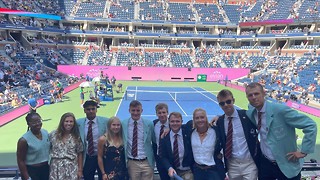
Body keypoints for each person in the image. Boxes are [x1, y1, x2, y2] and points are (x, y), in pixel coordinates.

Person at [245, 82, 317, 180]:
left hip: (286, 164)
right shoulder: (252, 111)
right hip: (266, 164)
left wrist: (304, 151)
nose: (253, 97)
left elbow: (310, 125)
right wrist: (220, 118)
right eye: (250, 95)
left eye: (256, 94)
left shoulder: (280, 110)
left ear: (264, 93)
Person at [216, 89, 259, 180]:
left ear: (233, 100)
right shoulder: (220, 122)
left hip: (249, 164)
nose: (226, 105)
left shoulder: (246, 115)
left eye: (228, 101)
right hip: (232, 166)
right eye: (222, 103)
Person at [121, 100, 155, 180]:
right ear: (129, 110)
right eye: (133, 110)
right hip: (132, 162)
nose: (135, 113)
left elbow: (154, 141)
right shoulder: (124, 124)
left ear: (141, 111)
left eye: (138, 110)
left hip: (147, 162)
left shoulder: (149, 124)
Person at [77, 100, 109, 180]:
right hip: (87, 157)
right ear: (84, 110)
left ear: (96, 109)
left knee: (103, 177)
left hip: (102, 157)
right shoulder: (78, 123)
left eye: (93, 109)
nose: (91, 111)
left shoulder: (105, 121)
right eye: (88, 109)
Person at [191, 108, 225, 180]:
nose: (200, 120)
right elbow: (177, 127)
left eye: (202, 117)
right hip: (198, 171)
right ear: (194, 119)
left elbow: (226, 139)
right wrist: (168, 128)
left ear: (206, 118)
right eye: (197, 118)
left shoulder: (215, 131)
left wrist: (218, 116)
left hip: (213, 171)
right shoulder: (190, 132)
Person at [49, 112, 84, 180]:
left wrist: (80, 170)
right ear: (62, 122)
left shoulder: (76, 136)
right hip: (56, 167)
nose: (69, 123)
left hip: (71, 167)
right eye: (66, 121)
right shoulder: (53, 135)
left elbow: (80, 153)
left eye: (71, 121)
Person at [17, 112, 50, 180]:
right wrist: (27, 177)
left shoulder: (45, 132)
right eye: (34, 122)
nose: (37, 124)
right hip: (32, 171)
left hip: (46, 169)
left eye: (39, 121)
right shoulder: (23, 140)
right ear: (28, 124)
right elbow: (20, 160)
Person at [160, 112, 193, 180]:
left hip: (188, 170)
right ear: (169, 122)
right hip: (174, 170)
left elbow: (192, 122)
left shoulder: (187, 132)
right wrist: (169, 167)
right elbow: (163, 156)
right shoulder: (164, 137)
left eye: (177, 121)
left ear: (182, 122)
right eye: (172, 121)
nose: (175, 123)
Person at [152, 103, 170, 180]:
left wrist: (171, 128)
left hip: (171, 158)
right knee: (163, 177)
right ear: (156, 114)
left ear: (167, 113)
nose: (162, 115)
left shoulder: (173, 124)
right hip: (159, 157)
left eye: (164, 112)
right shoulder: (154, 124)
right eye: (159, 113)